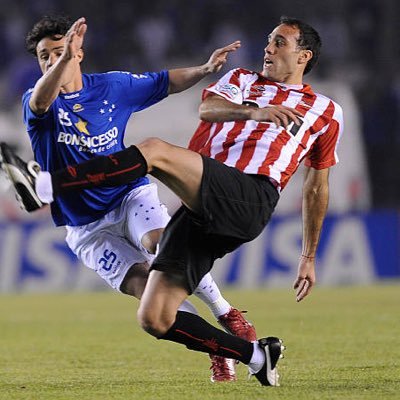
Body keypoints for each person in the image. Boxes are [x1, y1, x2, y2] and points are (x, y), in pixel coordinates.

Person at [1, 16, 344, 386]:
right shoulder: (242, 80)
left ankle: (49, 185)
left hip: (164, 194)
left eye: (279, 43)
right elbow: (208, 109)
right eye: (44, 56)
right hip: (91, 225)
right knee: (153, 314)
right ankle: (254, 355)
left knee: (153, 169)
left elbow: (165, 82)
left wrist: (204, 67)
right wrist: (247, 104)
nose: (54, 61)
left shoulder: (112, 86)